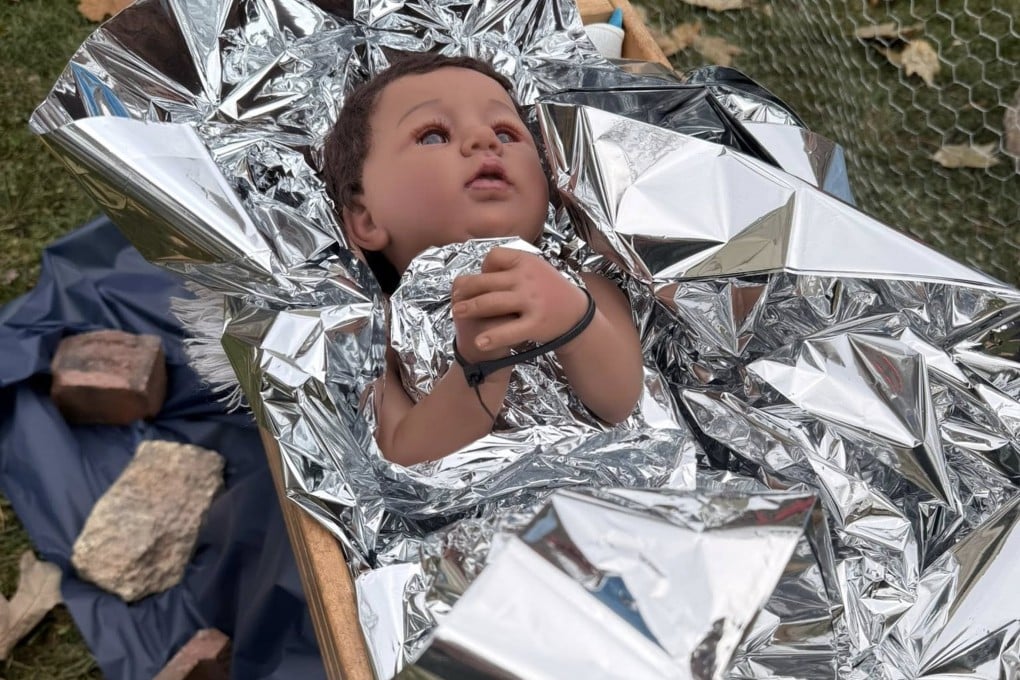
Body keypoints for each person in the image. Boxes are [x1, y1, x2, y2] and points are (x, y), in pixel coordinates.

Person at [322, 53, 644, 466]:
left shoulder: (585, 287)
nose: (484, 141)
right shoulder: (374, 328)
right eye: (435, 136)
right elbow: (401, 451)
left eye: (507, 133)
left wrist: (572, 317)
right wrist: (480, 367)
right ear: (365, 218)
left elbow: (619, 402)